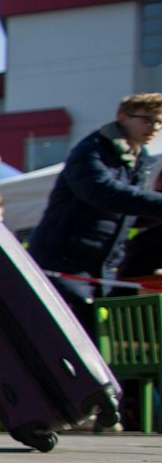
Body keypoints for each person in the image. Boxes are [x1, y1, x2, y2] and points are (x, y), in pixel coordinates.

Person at [29, 93, 162, 333]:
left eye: (160, 122)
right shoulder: (92, 150)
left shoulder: (138, 159)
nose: (155, 128)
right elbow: (103, 192)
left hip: (100, 270)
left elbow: (123, 212)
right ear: (123, 116)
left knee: (93, 340)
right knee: (66, 339)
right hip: (63, 265)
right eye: (148, 120)